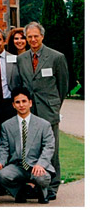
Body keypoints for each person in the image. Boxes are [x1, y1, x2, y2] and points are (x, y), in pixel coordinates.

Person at [17, 21, 69, 200]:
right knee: (31, 148)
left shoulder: (56, 57)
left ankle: (52, 186)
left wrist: (54, 106)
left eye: (36, 36)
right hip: (29, 111)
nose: (33, 39)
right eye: (29, 36)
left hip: (48, 110)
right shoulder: (22, 59)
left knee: (51, 149)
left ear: (42, 36)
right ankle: (34, 184)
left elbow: (63, 86)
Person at [0, 86, 56, 204]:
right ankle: (20, 191)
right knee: (2, 175)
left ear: (30, 103)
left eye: (24, 101)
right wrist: (0, 162)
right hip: (17, 166)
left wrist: (41, 164)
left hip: (37, 165)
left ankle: (42, 191)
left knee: (42, 177)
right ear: (13, 105)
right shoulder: (7, 126)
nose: (21, 105)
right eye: (17, 102)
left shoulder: (44, 125)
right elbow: (3, 147)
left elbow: (49, 147)